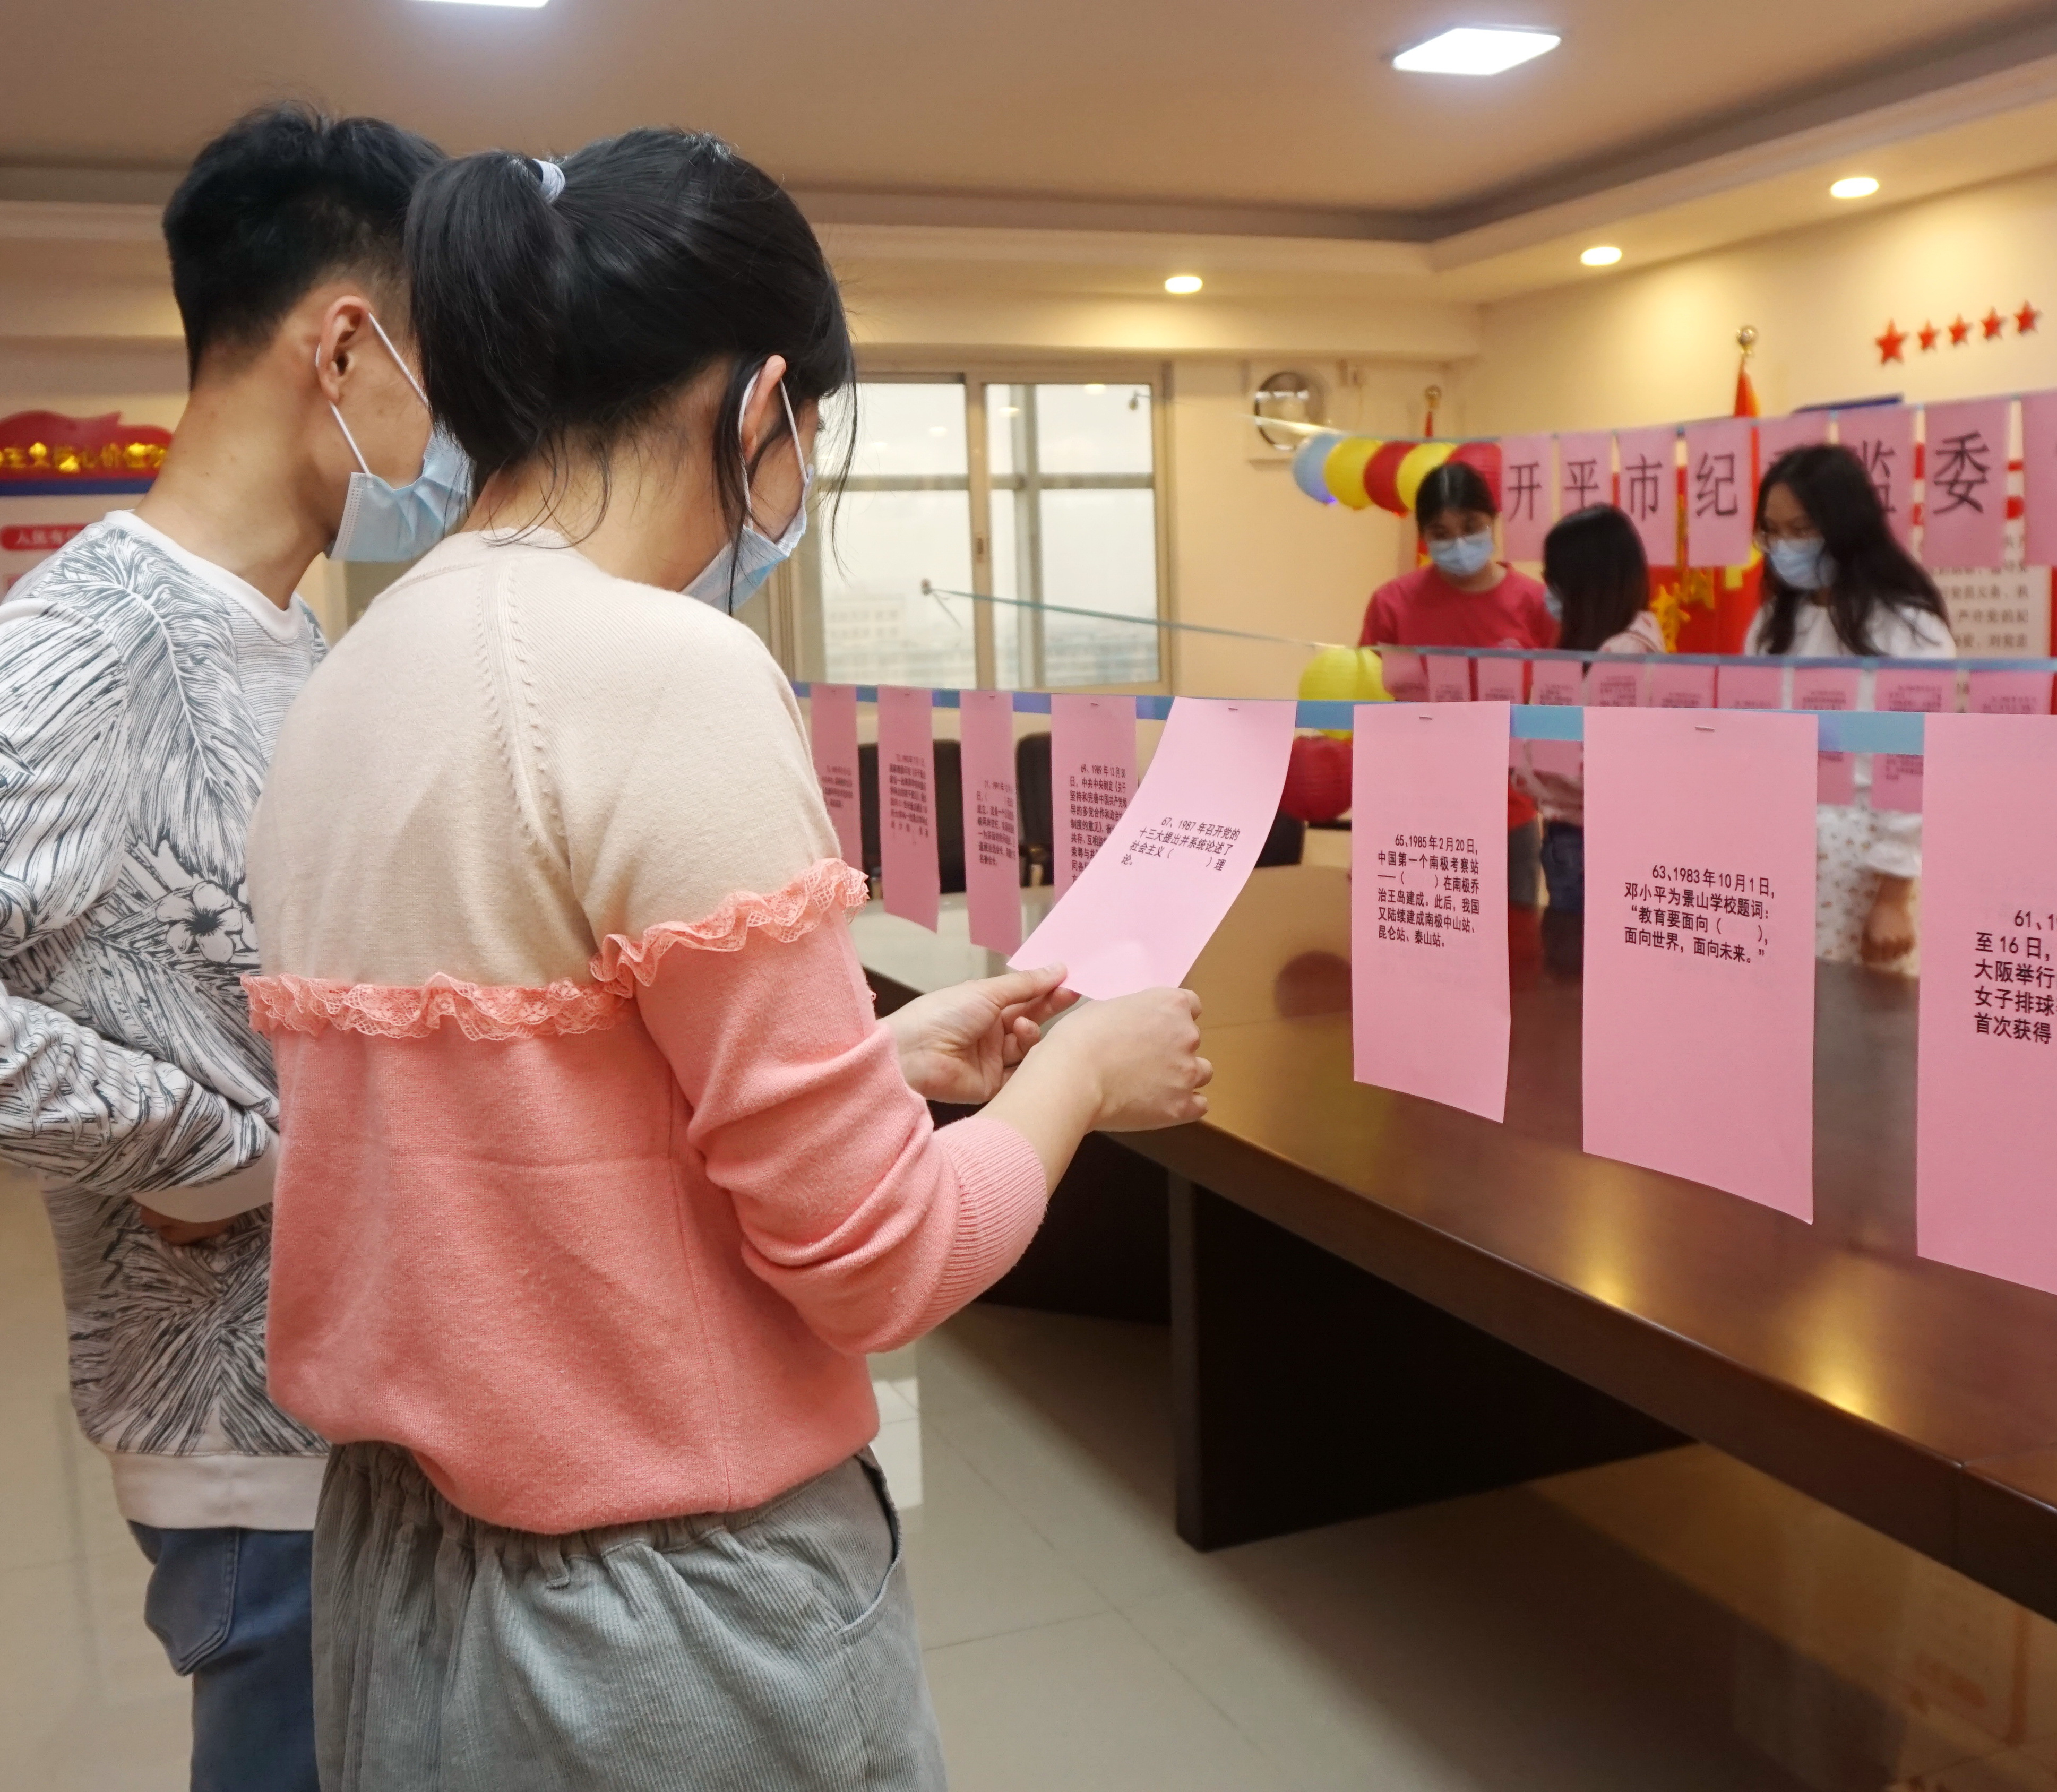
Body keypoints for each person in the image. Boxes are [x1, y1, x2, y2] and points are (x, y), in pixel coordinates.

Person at [242, 130, 1210, 1791]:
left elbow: (515, 1130)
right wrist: (1076, 1080)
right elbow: (881, 1266)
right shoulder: (664, 670)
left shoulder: (352, 670)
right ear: (762, 407)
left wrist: (883, 1061)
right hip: (661, 1630)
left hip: (405, 1583)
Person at [0, 106, 452, 1791]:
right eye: (445, 368)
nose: (458, 426)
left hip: (366, 1401)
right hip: (250, 1455)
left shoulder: (291, 636)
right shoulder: (88, 639)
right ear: (342, 346)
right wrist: (209, 1150)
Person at [1746, 444, 1955, 971]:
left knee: (1849, 1012)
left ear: (1844, 527)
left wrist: (1893, 895)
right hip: (1770, 845)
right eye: (1772, 532)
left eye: (1801, 530)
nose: (1784, 547)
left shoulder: (1908, 628)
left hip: (1860, 858)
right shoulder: (1772, 625)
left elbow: (1914, 766)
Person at [1360, 459, 1557, 904]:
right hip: (1415, 810)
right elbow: (1374, 703)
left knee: (1514, 940)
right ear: (1423, 536)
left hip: (1507, 812)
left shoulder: (1535, 604)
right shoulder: (1392, 605)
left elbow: (1555, 706)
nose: (1458, 543)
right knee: (1420, 934)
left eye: (1470, 526)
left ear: (1492, 520)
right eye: (1441, 532)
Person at [1517, 504, 1665, 921]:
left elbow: (1604, 770)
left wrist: (1526, 759)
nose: (1547, 592)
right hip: (1574, 834)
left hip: (1592, 840)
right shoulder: (1604, 646)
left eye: (1554, 581)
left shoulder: (1624, 654)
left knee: (1576, 954)